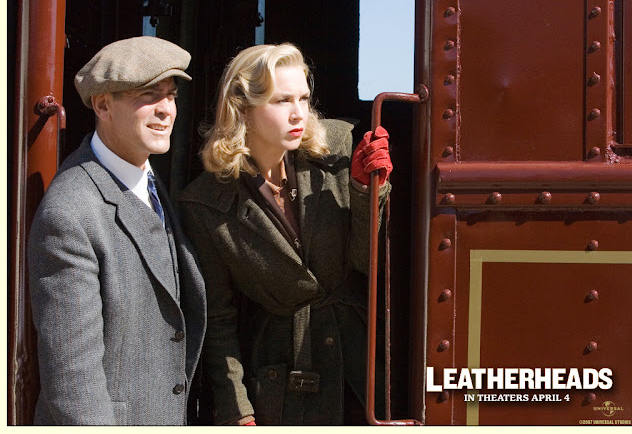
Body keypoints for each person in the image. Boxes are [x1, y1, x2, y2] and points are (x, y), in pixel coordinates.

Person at [177, 43, 392, 425]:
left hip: (361, 372)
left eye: (303, 98)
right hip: (283, 383)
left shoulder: (339, 147)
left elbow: (365, 263)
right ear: (242, 108)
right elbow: (218, 319)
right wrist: (238, 410)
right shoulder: (205, 203)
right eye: (282, 101)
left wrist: (365, 190)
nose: (299, 113)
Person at [27, 36, 207, 425]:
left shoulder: (147, 181)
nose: (166, 110)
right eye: (148, 95)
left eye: (171, 95)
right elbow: (74, 386)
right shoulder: (70, 212)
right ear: (103, 105)